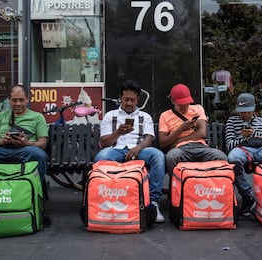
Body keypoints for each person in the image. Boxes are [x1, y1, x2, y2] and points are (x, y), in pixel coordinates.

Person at [94, 80, 166, 223]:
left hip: (138, 150)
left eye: (132, 100)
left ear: (137, 100)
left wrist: (138, 148)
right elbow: (104, 142)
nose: (129, 103)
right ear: (120, 98)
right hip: (116, 149)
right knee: (101, 158)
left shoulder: (145, 117)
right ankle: (104, 200)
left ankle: (153, 203)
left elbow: (149, 138)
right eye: (126, 99)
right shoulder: (110, 115)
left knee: (158, 156)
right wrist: (118, 133)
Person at [158, 83, 228, 176]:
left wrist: (178, 140)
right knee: (171, 157)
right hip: (180, 149)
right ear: (172, 100)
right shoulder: (165, 115)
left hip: (200, 146)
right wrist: (181, 129)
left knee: (221, 157)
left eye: (187, 103)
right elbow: (163, 142)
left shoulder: (198, 109)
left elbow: (202, 133)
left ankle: (214, 185)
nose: (185, 107)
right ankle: (176, 184)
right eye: (181, 104)